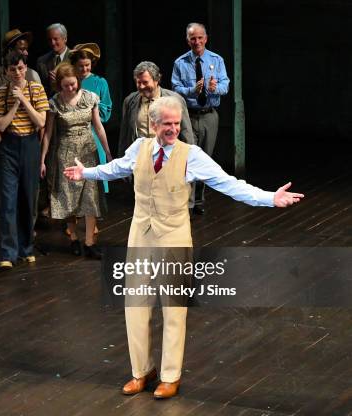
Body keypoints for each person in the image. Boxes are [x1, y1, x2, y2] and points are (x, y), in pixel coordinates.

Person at [64, 96, 303, 399]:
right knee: (135, 307)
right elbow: (117, 168)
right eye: (167, 124)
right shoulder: (140, 149)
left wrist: (269, 198)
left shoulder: (192, 155)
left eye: (177, 124)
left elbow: (229, 184)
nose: (173, 129)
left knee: (173, 309)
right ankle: (141, 371)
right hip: (141, 237)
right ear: (153, 125)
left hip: (174, 237)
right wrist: (86, 173)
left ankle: (170, 376)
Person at [40, 63, 111, 259]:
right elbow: (48, 133)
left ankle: (89, 242)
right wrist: (42, 159)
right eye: (66, 86)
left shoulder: (89, 98)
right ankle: (73, 239)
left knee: (90, 197)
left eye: (72, 84)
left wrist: (108, 152)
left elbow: (98, 127)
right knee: (69, 197)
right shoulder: (55, 102)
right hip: (66, 153)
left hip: (88, 151)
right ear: (59, 86)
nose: (70, 89)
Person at [0, 29, 41, 240]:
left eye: (25, 49)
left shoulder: (32, 74)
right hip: (5, 138)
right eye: (19, 48)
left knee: (29, 188)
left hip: (29, 138)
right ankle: (2, 226)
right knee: (3, 189)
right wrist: (0, 141)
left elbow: (40, 113)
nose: (24, 53)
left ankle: (27, 227)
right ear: (9, 51)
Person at [0, 51, 48, 269]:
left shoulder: (36, 89)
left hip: (30, 145)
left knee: (28, 198)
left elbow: (41, 121)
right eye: (12, 69)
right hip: (9, 146)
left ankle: (26, 248)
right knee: (7, 200)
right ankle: (8, 252)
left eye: (21, 68)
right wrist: (14, 104)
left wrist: (23, 99)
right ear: (6, 71)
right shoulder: (0, 93)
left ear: (26, 68)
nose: (17, 72)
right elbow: (1, 125)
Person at [172, 22, 229, 215]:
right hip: (187, 115)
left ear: (206, 38)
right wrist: (191, 90)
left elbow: (225, 84)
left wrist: (215, 89)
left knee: (204, 158)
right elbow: (175, 89)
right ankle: (185, 201)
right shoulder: (180, 63)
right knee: (187, 158)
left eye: (200, 38)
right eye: (192, 38)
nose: (197, 41)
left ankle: (198, 200)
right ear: (188, 40)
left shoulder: (217, 60)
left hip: (209, 115)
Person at [119, 61, 194, 156]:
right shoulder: (129, 101)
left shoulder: (175, 100)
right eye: (138, 82)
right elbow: (124, 136)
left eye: (145, 82)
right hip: (141, 158)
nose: (141, 86)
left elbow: (186, 133)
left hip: (168, 156)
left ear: (156, 80)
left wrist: (189, 160)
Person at [36, 23, 70, 97]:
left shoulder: (75, 58)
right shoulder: (41, 61)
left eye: (55, 39)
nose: (52, 43)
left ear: (65, 39)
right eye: (49, 40)